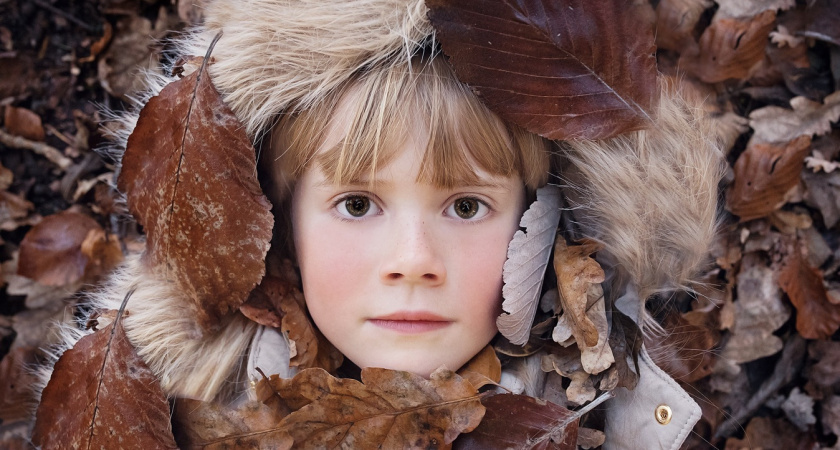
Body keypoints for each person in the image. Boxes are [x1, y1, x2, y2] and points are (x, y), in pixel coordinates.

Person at [37, 1, 723, 448]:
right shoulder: (183, 424)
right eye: (358, 205)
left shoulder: (611, 422)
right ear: (275, 228)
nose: (413, 260)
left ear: (543, 220)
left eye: (465, 207)